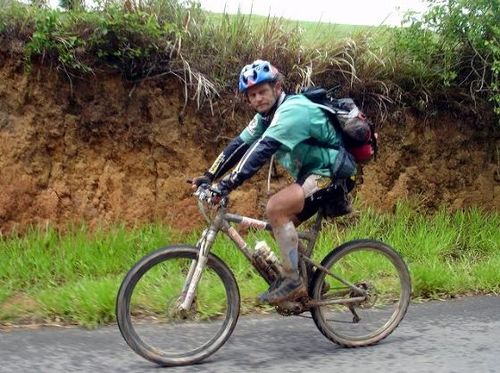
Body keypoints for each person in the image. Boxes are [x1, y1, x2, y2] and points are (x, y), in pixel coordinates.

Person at [191, 59, 357, 304]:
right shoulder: (265, 117)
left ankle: (293, 281)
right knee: (280, 225)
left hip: (333, 172)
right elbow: (239, 145)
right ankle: (311, 281)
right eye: (252, 95)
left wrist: (226, 185)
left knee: (276, 208)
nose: (258, 98)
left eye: (263, 92)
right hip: (314, 172)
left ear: (277, 88)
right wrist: (209, 175)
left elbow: (262, 149)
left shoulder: (292, 110)